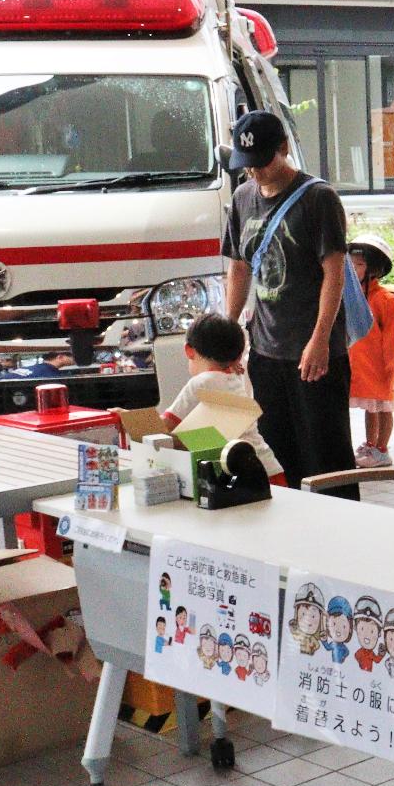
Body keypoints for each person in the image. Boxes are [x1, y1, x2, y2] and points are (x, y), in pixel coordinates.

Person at [221, 109, 358, 499]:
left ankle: (339, 536)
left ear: (283, 148)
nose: (255, 173)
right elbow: (239, 269)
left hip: (314, 352)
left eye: (262, 162)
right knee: (277, 453)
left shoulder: (318, 198)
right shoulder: (243, 198)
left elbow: (335, 274)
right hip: (266, 351)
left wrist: (320, 340)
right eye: (247, 165)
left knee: (326, 457)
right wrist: (230, 335)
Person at [159, 313, 283, 483]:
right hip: (267, 468)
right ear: (238, 357)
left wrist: (125, 417)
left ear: (189, 351)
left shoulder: (202, 383)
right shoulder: (233, 380)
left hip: (245, 476)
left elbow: (163, 427)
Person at [346, 234, 394, 468]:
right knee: (370, 409)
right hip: (360, 367)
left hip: (379, 366)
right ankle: (371, 444)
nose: (353, 268)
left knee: (383, 407)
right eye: (350, 263)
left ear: (374, 269)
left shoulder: (385, 299)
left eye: (359, 265)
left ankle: (382, 448)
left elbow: (393, 337)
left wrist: (391, 365)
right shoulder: (353, 296)